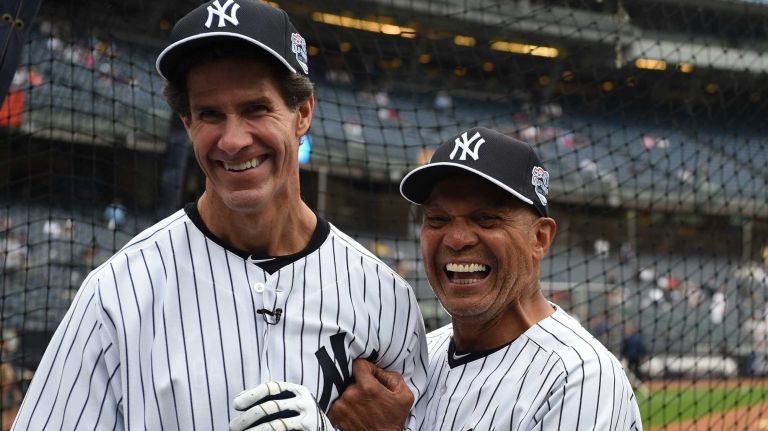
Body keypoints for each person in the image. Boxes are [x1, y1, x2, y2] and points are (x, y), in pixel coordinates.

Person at [12, 1, 427, 429]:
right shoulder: (117, 294)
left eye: (255, 109)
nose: (232, 141)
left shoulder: (385, 298)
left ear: (302, 113)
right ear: (187, 122)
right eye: (210, 114)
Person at [241, 127, 643, 430]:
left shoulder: (580, 378)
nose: (457, 239)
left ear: (540, 238)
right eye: (438, 219)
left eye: (486, 218)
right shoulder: (412, 354)